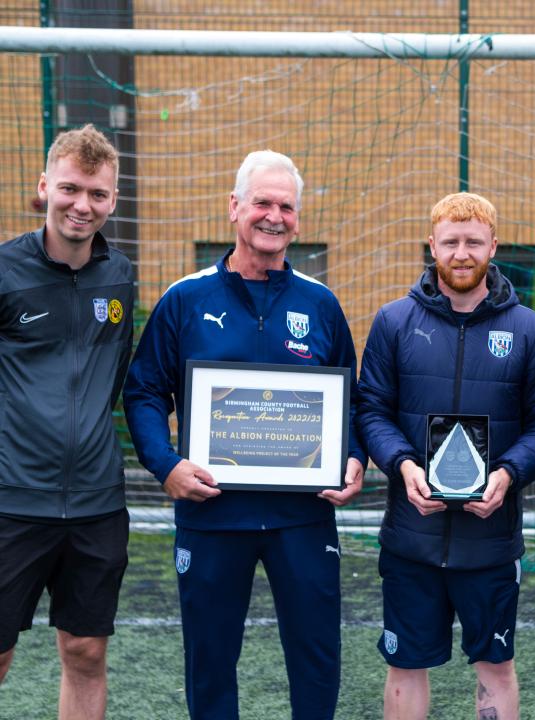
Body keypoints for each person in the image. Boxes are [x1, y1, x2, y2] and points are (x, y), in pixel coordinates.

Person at [123, 150, 366, 719]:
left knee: (317, 660)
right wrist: (166, 465)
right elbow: (144, 393)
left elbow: (353, 403)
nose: (273, 216)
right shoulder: (185, 299)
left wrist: (353, 459)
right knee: (209, 663)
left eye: (286, 206)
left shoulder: (321, 304)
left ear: (298, 219)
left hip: (303, 518)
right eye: (262, 202)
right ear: (235, 208)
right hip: (212, 516)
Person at [357, 192, 535, 720]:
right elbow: (371, 412)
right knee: (405, 669)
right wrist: (403, 465)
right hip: (412, 537)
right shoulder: (393, 321)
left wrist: (507, 473)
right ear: (432, 245)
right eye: (450, 241)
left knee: (495, 669)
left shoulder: (528, 329)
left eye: (473, 241)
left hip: (490, 542)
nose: (461, 253)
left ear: (493, 246)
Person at [0, 124, 133, 719]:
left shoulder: (120, 277)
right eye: (71, 189)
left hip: (96, 504)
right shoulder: (4, 270)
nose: (83, 205)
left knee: (85, 650)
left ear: (113, 199)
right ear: (44, 187)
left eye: (98, 194)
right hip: (11, 503)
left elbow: (116, 376)